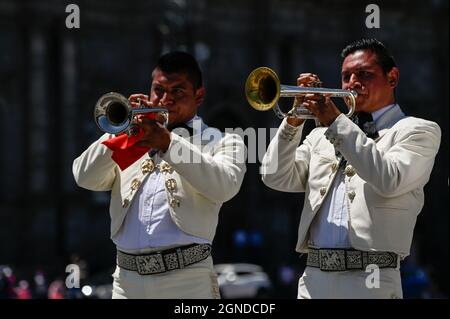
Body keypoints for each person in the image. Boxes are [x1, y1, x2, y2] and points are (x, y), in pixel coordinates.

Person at [261, 38, 441, 299]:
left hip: (372, 280)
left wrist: (336, 122)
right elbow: (273, 175)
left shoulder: (417, 130)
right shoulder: (321, 136)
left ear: (392, 77)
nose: (352, 83)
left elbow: (390, 179)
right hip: (314, 281)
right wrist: (294, 120)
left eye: (364, 74)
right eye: (346, 76)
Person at [73, 51, 246, 299]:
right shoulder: (130, 138)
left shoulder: (223, 141)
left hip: (187, 282)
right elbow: (84, 176)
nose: (166, 100)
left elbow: (225, 186)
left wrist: (168, 143)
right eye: (159, 90)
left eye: (178, 92)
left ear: (199, 96)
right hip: (126, 281)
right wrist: (120, 132)